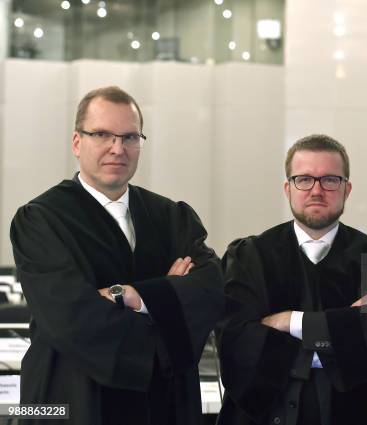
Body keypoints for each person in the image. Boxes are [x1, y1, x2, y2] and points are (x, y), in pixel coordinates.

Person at [10, 86, 225, 425]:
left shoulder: (172, 216)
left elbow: (210, 289)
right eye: (102, 135)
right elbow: (71, 318)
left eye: (129, 137)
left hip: (163, 406)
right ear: (77, 142)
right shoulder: (41, 220)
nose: (117, 148)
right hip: (74, 400)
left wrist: (131, 296)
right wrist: (166, 301)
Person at [216, 134, 367, 425]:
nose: (317, 190)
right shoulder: (248, 257)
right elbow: (236, 342)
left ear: (347, 189)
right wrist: (343, 330)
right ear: (287, 188)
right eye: (304, 179)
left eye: (330, 180)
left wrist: (290, 322)